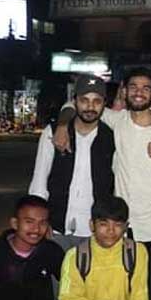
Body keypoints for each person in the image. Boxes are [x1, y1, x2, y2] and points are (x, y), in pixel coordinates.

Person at [53, 67, 151, 244]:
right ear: (124, 92)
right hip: (120, 221)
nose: (139, 93)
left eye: (145, 88)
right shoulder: (118, 120)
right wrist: (62, 125)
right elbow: (75, 104)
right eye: (133, 87)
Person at [29, 75, 115, 252]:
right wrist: (40, 222)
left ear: (104, 104)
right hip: (56, 229)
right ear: (74, 101)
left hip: (94, 232)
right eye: (84, 100)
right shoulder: (53, 133)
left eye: (97, 101)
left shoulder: (111, 138)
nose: (90, 107)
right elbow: (39, 183)